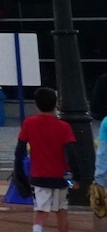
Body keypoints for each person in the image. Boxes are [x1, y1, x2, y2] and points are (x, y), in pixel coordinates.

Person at [16, 87, 75, 232]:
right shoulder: (64, 127)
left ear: (36, 104)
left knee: (40, 211)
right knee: (61, 210)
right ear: (56, 104)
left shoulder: (29, 123)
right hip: (60, 176)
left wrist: (19, 173)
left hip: (38, 175)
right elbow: (71, 154)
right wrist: (76, 177)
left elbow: (19, 151)